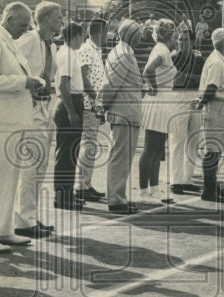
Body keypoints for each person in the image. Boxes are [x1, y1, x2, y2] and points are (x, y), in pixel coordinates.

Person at [0, 3, 46, 252]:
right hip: (1, 121)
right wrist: (24, 82)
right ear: (9, 18)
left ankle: (3, 230)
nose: (24, 30)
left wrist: (32, 83)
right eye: (22, 25)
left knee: (10, 179)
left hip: (16, 120)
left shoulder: (12, 41)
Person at [14, 2, 65, 238]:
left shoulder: (51, 46)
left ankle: (31, 216)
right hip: (31, 108)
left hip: (46, 108)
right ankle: (23, 221)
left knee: (41, 166)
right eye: (58, 17)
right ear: (44, 19)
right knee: (30, 166)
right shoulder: (29, 39)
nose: (62, 21)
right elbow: (12, 62)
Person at [99, 19, 144, 212]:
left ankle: (119, 196)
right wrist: (101, 105)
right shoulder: (123, 54)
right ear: (129, 35)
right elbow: (111, 84)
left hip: (127, 112)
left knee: (123, 157)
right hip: (123, 113)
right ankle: (116, 199)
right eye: (138, 33)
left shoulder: (125, 53)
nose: (141, 36)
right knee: (120, 157)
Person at [194, 28, 224, 202]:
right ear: (222, 41)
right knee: (212, 151)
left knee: (216, 151)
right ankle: (209, 190)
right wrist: (201, 104)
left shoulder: (222, 60)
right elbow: (211, 88)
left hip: (223, 108)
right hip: (217, 108)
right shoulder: (217, 62)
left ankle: (212, 186)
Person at [138, 19, 178, 206]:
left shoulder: (163, 50)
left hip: (164, 102)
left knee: (157, 149)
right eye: (176, 35)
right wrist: (153, 87)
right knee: (150, 148)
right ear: (171, 35)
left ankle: (154, 188)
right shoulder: (162, 50)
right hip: (158, 102)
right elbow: (148, 70)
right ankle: (144, 190)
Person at [53, 22, 87, 210]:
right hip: (70, 103)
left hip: (74, 102)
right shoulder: (67, 54)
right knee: (66, 153)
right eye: (82, 36)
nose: (83, 40)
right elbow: (63, 85)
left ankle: (66, 194)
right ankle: (62, 197)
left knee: (70, 152)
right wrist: (71, 111)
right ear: (76, 36)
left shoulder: (70, 53)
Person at [169, 27, 205, 195]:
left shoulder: (198, 59)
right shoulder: (173, 57)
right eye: (180, 40)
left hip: (195, 97)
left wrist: (186, 77)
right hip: (178, 98)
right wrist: (189, 78)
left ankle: (187, 179)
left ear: (192, 42)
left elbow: (200, 80)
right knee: (177, 139)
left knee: (193, 139)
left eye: (186, 40)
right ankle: (175, 181)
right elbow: (176, 79)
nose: (183, 43)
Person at [75, 18, 108, 201]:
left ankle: (85, 184)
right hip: (88, 105)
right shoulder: (87, 50)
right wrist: (96, 100)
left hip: (94, 106)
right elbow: (83, 77)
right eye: (106, 33)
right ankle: (81, 186)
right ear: (99, 32)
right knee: (88, 144)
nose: (107, 37)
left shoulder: (96, 50)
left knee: (91, 145)